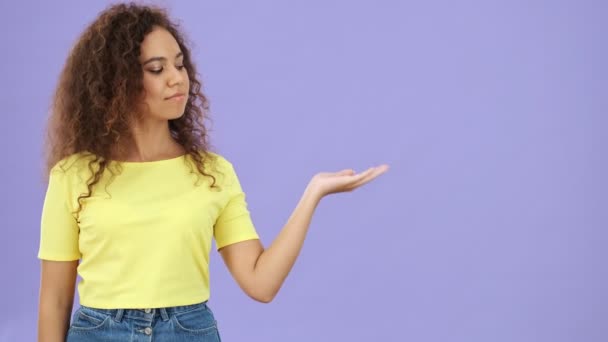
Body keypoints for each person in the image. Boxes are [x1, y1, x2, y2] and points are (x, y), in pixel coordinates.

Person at [36, 2, 389, 341]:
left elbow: (260, 284)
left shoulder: (212, 173)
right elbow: (54, 301)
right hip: (99, 333)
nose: (177, 79)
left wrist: (314, 192)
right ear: (118, 82)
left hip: (187, 332)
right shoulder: (73, 175)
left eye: (180, 64)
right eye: (157, 69)